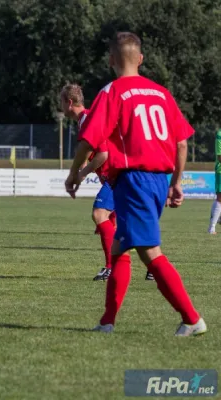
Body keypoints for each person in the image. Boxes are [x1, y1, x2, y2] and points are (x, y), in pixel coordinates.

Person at [65, 32, 206, 336]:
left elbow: (89, 138)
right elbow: (182, 143)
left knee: (149, 252)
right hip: (158, 179)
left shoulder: (113, 92)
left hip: (135, 179)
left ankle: (192, 319)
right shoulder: (161, 93)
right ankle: (107, 322)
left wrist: (73, 174)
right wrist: (176, 183)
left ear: (111, 60)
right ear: (141, 59)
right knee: (119, 251)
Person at [60, 83, 119, 281]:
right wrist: (78, 174)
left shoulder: (88, 119)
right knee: (120, 223)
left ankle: (111, 268)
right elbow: (89, 152)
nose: (60, 106)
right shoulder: (83, 120)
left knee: (99, 214)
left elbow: (103, 154)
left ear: (69, 102)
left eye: (61, 102)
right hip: (115, 177)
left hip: (116, 175)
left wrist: (82, 174)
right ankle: (151, 267)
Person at [207, 127, 221, 234]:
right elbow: (220, 156)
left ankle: (218, 219)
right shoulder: (220, 135)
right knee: (220, 198)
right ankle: (212, 228)